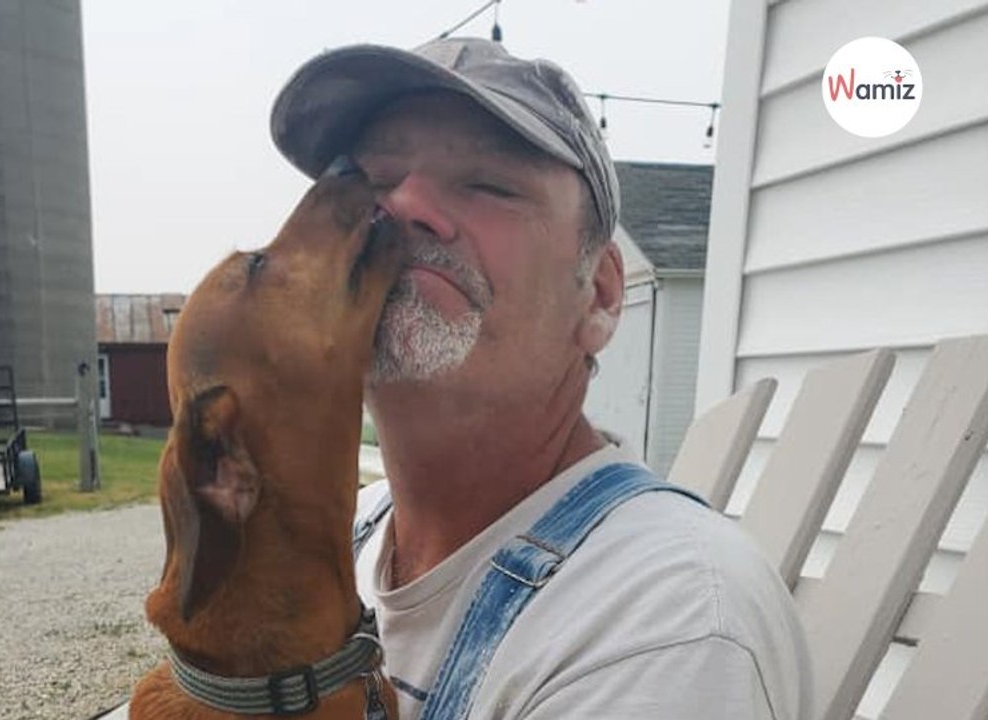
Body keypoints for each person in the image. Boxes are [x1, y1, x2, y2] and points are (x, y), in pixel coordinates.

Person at [269, 37, 812, 719]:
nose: (403, 205)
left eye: (487, 184)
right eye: (368, 182)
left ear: (601, 296)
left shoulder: (663, 623)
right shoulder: (351, 535)